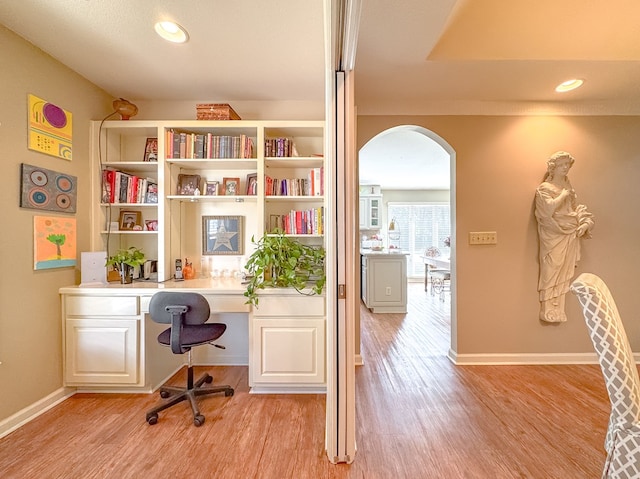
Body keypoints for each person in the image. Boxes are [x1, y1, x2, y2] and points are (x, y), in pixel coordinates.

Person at [535, 151, 594, 323]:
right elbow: (546, 212)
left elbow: (574, 211)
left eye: (567, 165)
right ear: (553, 168)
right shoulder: (545, 189)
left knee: (564, 271)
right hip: (553, 233)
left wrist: (584, 224)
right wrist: (563, 195)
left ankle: (557, 304)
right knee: (552, 266)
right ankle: (548, 305)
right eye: (561, 165)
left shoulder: (569, 188)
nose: (565, 168)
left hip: (570, 233)